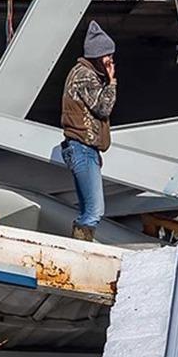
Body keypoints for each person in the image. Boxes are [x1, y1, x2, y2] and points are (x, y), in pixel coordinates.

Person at [60, 21, 117, 241]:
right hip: (81, 149)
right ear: (97, 56)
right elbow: (103, 108)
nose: (111, 60)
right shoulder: (85, 76)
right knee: (95, 211)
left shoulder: (87, 74)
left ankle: (79, 248)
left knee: (88, 210)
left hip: (85, 149)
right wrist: (112, 82)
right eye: (107, 55)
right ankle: (81, 250)